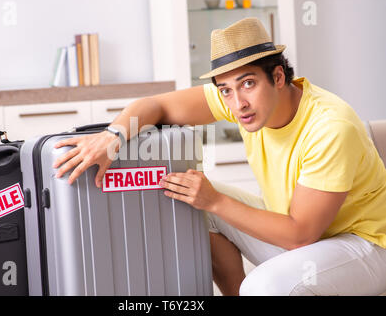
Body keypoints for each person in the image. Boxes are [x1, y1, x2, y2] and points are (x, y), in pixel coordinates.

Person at [52, 17, 386, 296]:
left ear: (279, 77)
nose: (237, 102)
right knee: (190, 204)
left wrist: (214, 200)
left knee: (263, 287)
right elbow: (155, 105)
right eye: (225, 89)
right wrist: (112, 138)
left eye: (248, 83)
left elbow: (300, 235)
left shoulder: (330, 127)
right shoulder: (241, 98)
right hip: (304, 234)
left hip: (366, 245)